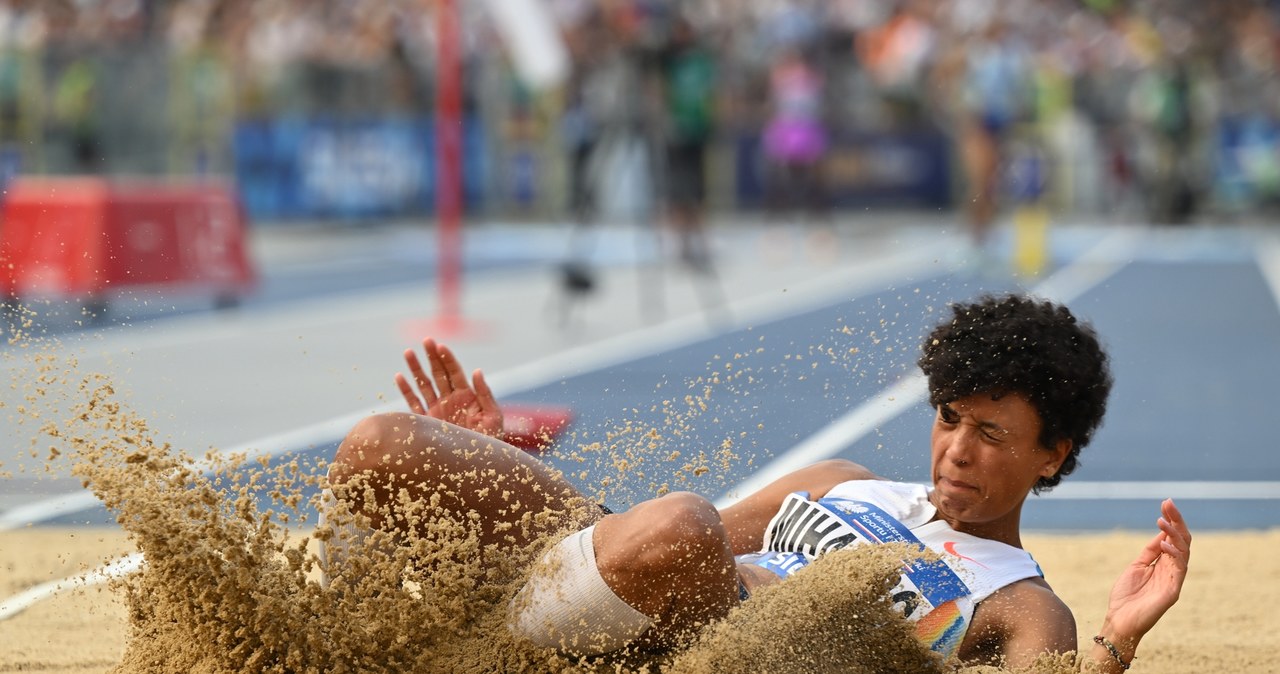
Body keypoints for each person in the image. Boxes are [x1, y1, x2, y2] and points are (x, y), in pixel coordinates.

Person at [324, 294, 1190, 670]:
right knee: (378, 445)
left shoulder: (1019, 603)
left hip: (727, 656)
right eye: (949, 417)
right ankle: (337, 645)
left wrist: (1120, 640)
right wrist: (516, 473)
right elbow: (644, 545)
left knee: (682, 528)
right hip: (649, 591)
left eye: (992, 433)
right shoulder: (848, 482)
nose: (957, 449)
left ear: (1053, 455)